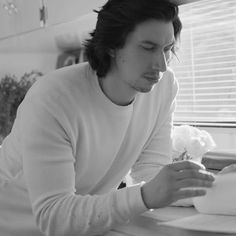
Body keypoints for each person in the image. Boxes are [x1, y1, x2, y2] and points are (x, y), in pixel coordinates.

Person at [0, 0, 216, 235]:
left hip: (84, 227)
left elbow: (151, 172)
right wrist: (144, 195)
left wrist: (213, 188)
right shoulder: (54, 98)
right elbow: (53, 215)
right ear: (113, 46)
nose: (161, 65)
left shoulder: (163, 87)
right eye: (147, 47)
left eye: (167, 49)